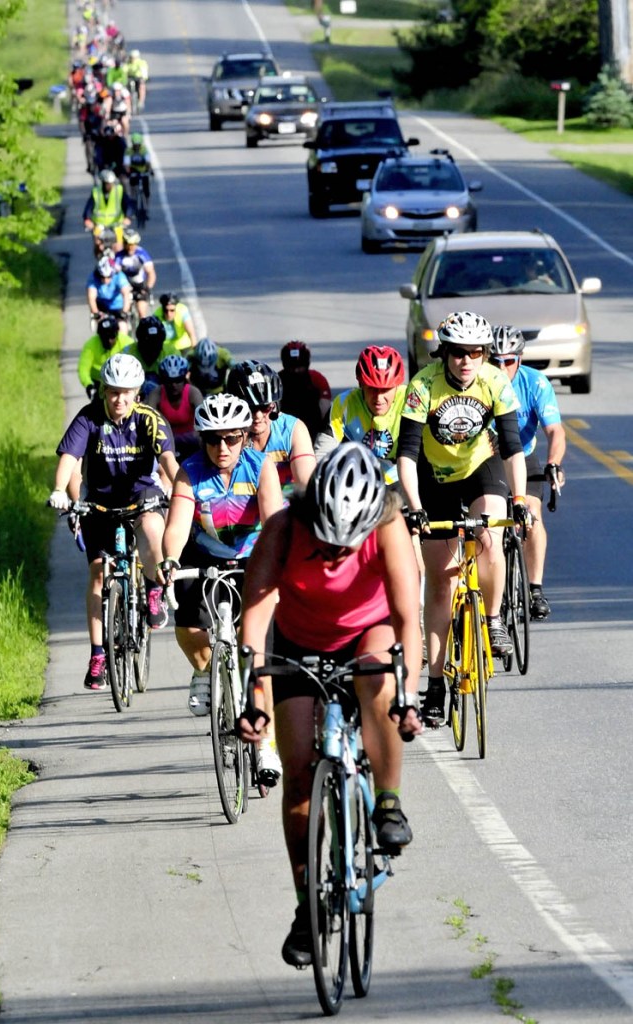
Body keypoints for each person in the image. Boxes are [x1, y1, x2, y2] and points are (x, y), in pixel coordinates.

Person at [238, 443, 423, 967]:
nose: (339, 553)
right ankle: (307, 909)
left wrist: (408, 694)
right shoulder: (283, 529)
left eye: (350, 543)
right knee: (297, 775)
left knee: (374, 675)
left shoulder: (387, 524)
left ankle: (387, 802)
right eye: (330, 541)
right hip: (298, 642)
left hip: (370, 629)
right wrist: (255, 702)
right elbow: (253, 624)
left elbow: (409, 619)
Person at [396, 311, 530, 727]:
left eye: (475, 352)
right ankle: (435, 684)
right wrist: (415, 508)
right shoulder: (422, 385)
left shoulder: (495, 381)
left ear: (485, 354)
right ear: (445, 353)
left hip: (479, 470)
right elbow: (407, 455)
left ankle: (492, 620)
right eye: (457, 353)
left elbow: (511, 448)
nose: (466, 361)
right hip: (433, 479)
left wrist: (522, 498)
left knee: (490, 534)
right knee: (440, 584)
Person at [159, 393, 283, 778]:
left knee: (257, 656)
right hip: (205, 557)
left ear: (245, 436)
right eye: (213, 439)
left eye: (231, 438)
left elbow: (275, 522)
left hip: (253, 558)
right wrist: (169, 559)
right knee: (188, 629)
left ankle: (266, 747)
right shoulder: (189, 471)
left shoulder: (261, 467)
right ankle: (206, 672)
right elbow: (178, 525)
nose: (222, 447)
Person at [48, 354, 178, 690]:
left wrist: (182, 489)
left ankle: (152, 590)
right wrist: (60, 490)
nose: (119, 399)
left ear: (137, 392)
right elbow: (70, 458)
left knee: (152, 530)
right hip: (101, 505)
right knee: (96, 574)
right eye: (113, 392)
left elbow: (167, 459)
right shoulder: (89, 417)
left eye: (126, 392)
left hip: (142, 498)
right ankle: (97, 655)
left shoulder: (149, 419)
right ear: (104, 391)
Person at [490, 325, 566, 620]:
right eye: (494, 361)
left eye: (508, 361)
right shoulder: (478, 384)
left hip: (525, 453)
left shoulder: (535, 383)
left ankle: (535, 588)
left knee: (532, 514)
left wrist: (553, 462)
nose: (501, 367)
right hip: (488, 457)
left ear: (519, 360)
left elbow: (555, 431)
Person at [314, 344, 407, 488]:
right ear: (360, 384)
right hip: (358, 485)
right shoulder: (344, 403)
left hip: (402, 482)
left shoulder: (411, 401)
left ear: (397, 386)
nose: (379, 398)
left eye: (386, 390)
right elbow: (321, 457)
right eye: (372, 388)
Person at [227, 360, 316, 496]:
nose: (257, 416)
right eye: (250, 408)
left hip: (286, 508)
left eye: (265, 407)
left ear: (275, 405)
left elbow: (306, 485)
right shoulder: (223, 436)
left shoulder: (293, 430)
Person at [144, 354, 203, 460]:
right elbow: (147, 420)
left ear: (184, 379)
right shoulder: (156, 393)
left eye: (178, 380)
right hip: (165, 442)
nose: (174, 385)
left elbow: (203, 419)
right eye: (169, 381)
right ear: (163, 380)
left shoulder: (193, 393)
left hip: (192, 441)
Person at [278, 340, 332, 441]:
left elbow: (325, 409)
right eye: (292, 367)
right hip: (283, 431)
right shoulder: (276, 380)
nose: (296, 371)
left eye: (300, 367)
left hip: (312, 431)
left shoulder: (317, 379)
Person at [77, 313, 131, 398]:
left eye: (112, 336)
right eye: (105, 337)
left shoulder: (127, 343)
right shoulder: (90, 345)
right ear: (99, 336)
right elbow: (83, 369)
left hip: (122, 382)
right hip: (99, 382)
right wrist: (88, 384)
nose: (109, 341)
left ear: (117, 333)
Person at [125, 315, 180, 395]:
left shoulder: (172, 353)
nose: (152, 348)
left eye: (156, 343)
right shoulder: (127, 355)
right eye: (148, 344)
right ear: (139, 341)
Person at [114, 229, 156, 320]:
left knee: (142, 313)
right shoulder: (119, 256)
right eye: (128, 245)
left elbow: (151, 273)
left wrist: (148, 288)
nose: (130, 248)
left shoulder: (142, 254)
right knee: (123, 313)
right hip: (124, 285)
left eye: (133, 245)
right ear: (124, 244)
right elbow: (114, 273)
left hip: (139, 285)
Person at [85, 255, 132, 334]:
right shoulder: (93, 277)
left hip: (118, 306)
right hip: (102, 306)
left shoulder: (119, 276)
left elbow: (126, 295)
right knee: (102, 329)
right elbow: (91, 298)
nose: (105, 280)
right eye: (102, 277)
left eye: (108, 277)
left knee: (122, 329)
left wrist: (124, 312)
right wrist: (96, 313)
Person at [82, 168, 131, 242]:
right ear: (103, 183)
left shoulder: (119, 191)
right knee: (97, 242)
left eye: (111, 183)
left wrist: (128, 217)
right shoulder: (96, 192)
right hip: (100, 225)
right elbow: (88, 208)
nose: (110, 186)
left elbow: (129, 205)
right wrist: (87, 220)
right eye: (107, 184)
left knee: (119, 244)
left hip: (117, 225)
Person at [124, 132, 153, 209]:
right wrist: (128, 172)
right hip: (133, 171)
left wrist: (149, 170)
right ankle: (133, 205)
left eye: (138, 144)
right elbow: (126, 164)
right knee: (133, 189)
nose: (136, 146)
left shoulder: (144, 150)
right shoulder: (128, 151)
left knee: (146, 190)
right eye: (135, 145)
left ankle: (147, 206)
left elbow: (148, 162)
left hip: (143, 171)